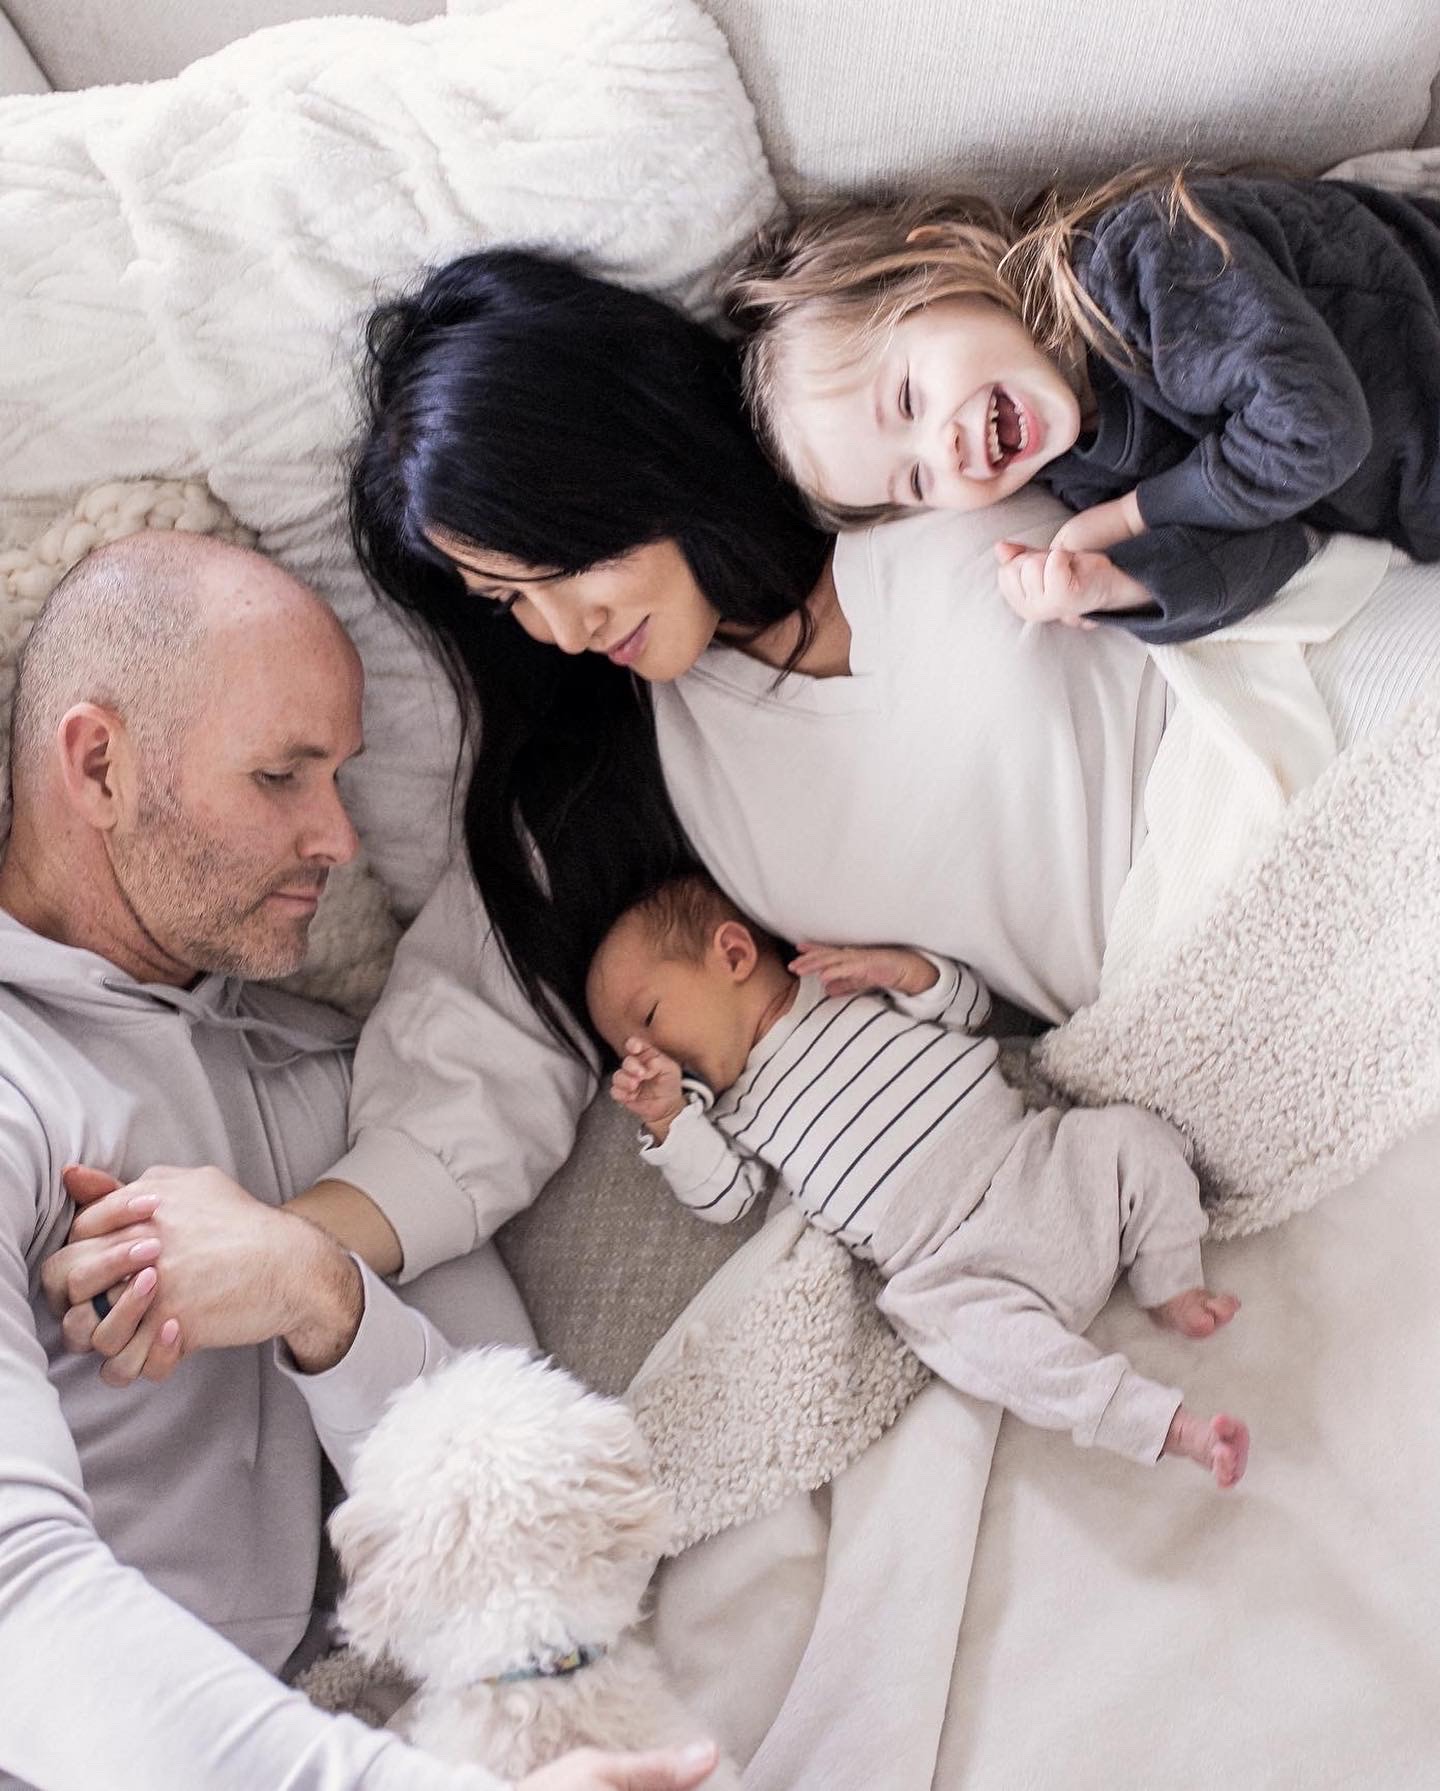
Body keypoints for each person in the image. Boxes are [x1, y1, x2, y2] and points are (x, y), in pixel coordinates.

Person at [0, 530, 723, 1791]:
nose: (336, 837)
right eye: (282, 776)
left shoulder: (339, 1077)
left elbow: (507, 1475)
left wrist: (315, 1288)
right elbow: (15, 1602)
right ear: (99, 764)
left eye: (342, 777)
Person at [586, 872, 1249, 1488]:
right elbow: (725, 1199)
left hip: (1036, 1162)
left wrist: (905, 971)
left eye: (647, 1021)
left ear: (731, 955)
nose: (645, 1057)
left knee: (1133, 1135)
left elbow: (968, 1008)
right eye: (626, 1055)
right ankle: (1164, 1425)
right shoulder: (723, 1112)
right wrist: (669, 1118)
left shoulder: (844, 983)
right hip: (952, 1268)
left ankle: (1171, 1280)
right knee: (974, 1346)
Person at [722, 169, 1440, 641]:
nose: (942, 452)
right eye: (916, 482)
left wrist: (1130, 517)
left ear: (936, 264)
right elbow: (1271, 547)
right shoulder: (1078, 468)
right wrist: (1114, 581)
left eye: (909, 399)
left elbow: (1317, 431)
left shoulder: (1142, 261)